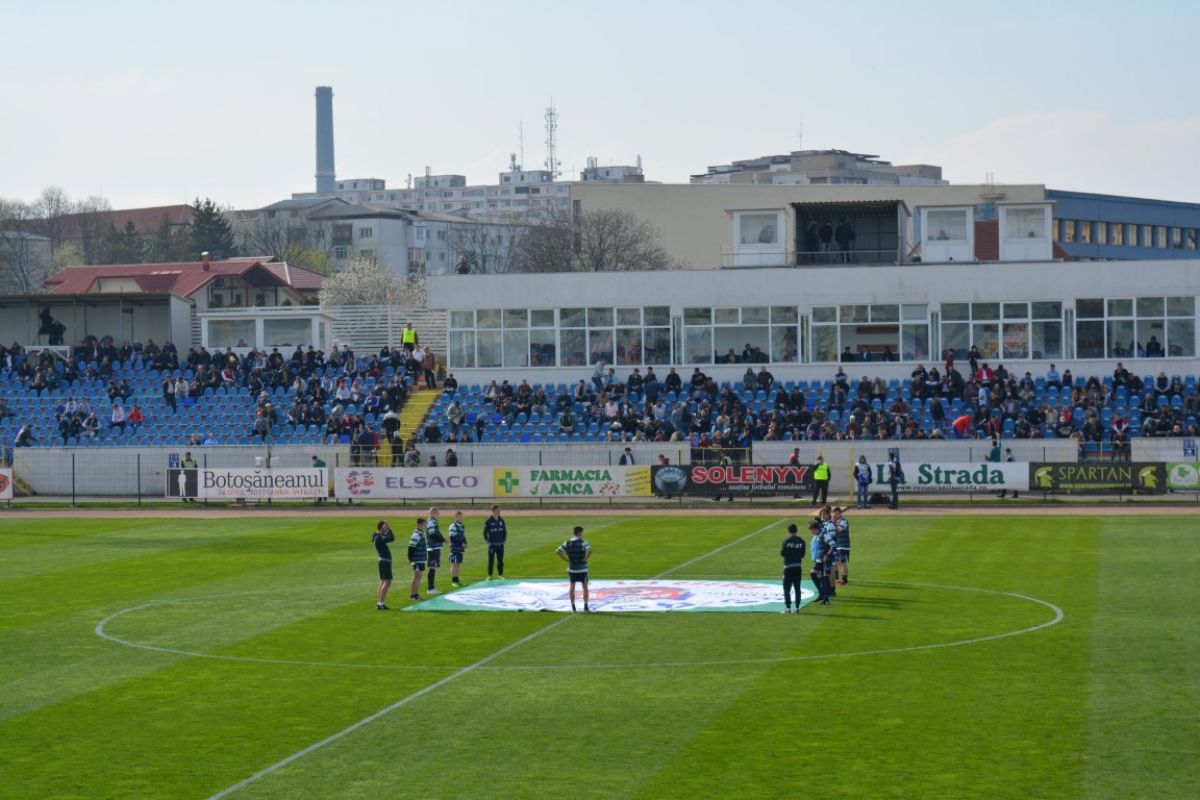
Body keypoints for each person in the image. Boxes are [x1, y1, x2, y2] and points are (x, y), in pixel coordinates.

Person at [556, 525, 592, 613]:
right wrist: (585, 559)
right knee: (585, 587)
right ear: (579, 532)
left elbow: (558, 551)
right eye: (582, 532)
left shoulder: (567, 543)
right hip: (582, 568)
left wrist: (566, 560)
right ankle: (586, 606)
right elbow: (589, 550)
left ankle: (573, 607)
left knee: (572, 587)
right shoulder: (583, 542)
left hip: (572, 568)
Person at [780, 523, 806, 614]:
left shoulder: (786, 541)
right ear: (796, 530)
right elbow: (802, 554)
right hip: (797, 567)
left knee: (786, 588)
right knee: (797, 587)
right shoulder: (801, 541)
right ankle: (797, 607)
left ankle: (788, 608)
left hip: (787, 567)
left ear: (788, 531)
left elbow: (782, 553)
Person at [372, 520, 395, 610]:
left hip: (382, 561)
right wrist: (389, 529)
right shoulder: (379, 538)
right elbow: (392, 538)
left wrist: (385, 528)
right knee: (387, 582)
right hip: (385, 562)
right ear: (382, 527)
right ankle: (381, 603)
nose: (386, 530)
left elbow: (377, 534)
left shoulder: (376, 536)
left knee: (383, 582)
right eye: (385, 527)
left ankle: (379, 602)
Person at [808, 519, 831, 605]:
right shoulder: (818, 535)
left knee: (824, 578)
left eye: (811, 530)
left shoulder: (825, 535)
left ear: (815, 529)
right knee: (813, 573)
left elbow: (833, 545)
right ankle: (822, 594)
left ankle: (826, 598)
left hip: (826, 559)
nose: (811, 532)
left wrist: (827, 555)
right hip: (820, 559)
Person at [483, 504, 507, 579]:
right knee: (491, 560)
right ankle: (490, 575)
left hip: (500, 544)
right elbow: (484, 532)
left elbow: (504, 531)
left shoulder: (501, 520)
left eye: (499, 510)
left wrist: (504, 539)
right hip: (492, 545)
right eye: (497, 510)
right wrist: (487, 541)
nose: (499, 512)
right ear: (493, 511)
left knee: (500, 561)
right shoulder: (489, 521)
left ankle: (500, 575)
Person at [407, 517, 427, 601]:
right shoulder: (417, 534)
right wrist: (410, 558)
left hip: (421, 559)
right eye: (424, 524)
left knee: (419, 577)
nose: (425, 526)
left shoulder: (420, 534)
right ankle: (412, 595)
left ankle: (416, 594)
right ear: (419, 525)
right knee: (416, 577)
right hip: (417, 560)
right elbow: (411, 547)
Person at [425, 507, 444, 595]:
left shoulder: (434, 521)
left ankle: (432, 588)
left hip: (435, 547)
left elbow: (436, 533)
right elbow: (432, 535)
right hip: (432, 547)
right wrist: (443, 539)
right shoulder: (430, 522)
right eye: (437, 512)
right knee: (432, 567)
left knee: (434, 567)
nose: (438, 514)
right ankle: (430, 588)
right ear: (432, 513)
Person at [448, 511, 467, 587]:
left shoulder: (462, 526)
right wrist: (461, 543)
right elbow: (452, 537)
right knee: (454, 564)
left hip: (460, 548)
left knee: (458, 565)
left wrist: (465, 542)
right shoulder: (453, 526)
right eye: (459, 516)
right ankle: (454, 581)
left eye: (461, 516)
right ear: (455, 517)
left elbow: (463, 536)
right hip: (454, 548)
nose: (460, 518)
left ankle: (457, 580)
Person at [833, 506, 851, 585]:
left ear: (840, 513)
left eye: (836, 513)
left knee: (843, 562)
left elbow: (838, 530)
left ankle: (845, 580)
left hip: (843, 545)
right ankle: (837, 578)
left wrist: (833, 523)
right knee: (836, 561)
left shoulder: (844, 521)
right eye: (834, 513)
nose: (835, 515)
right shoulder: (835, 522)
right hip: (837, 545)